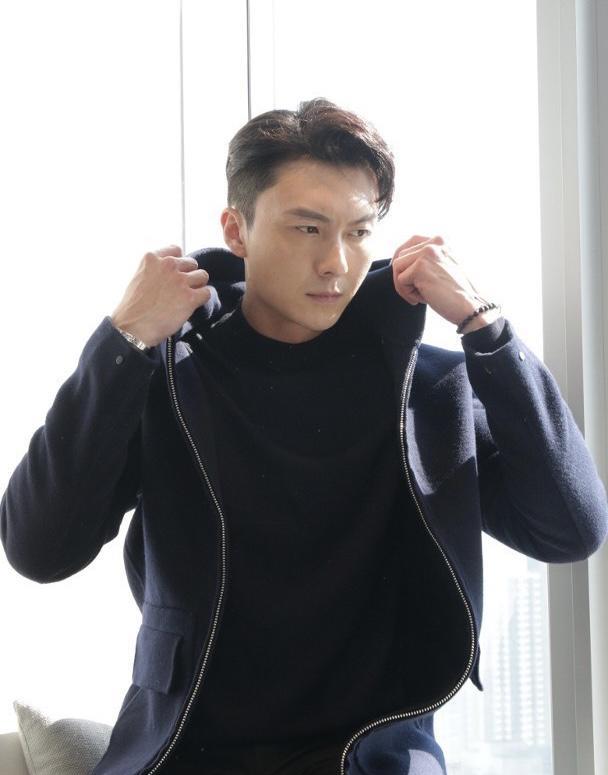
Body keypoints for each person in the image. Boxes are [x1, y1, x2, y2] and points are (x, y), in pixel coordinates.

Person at [1, 97, 607, 775]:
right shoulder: (168, 379)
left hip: (373, 756)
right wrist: (121, 341)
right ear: (237, 229)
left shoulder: (430, 391)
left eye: (358, 231)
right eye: (308, 227)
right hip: (187, 751)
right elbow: (39, 549)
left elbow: (570, 528)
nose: (336, 262)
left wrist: (485, 327)